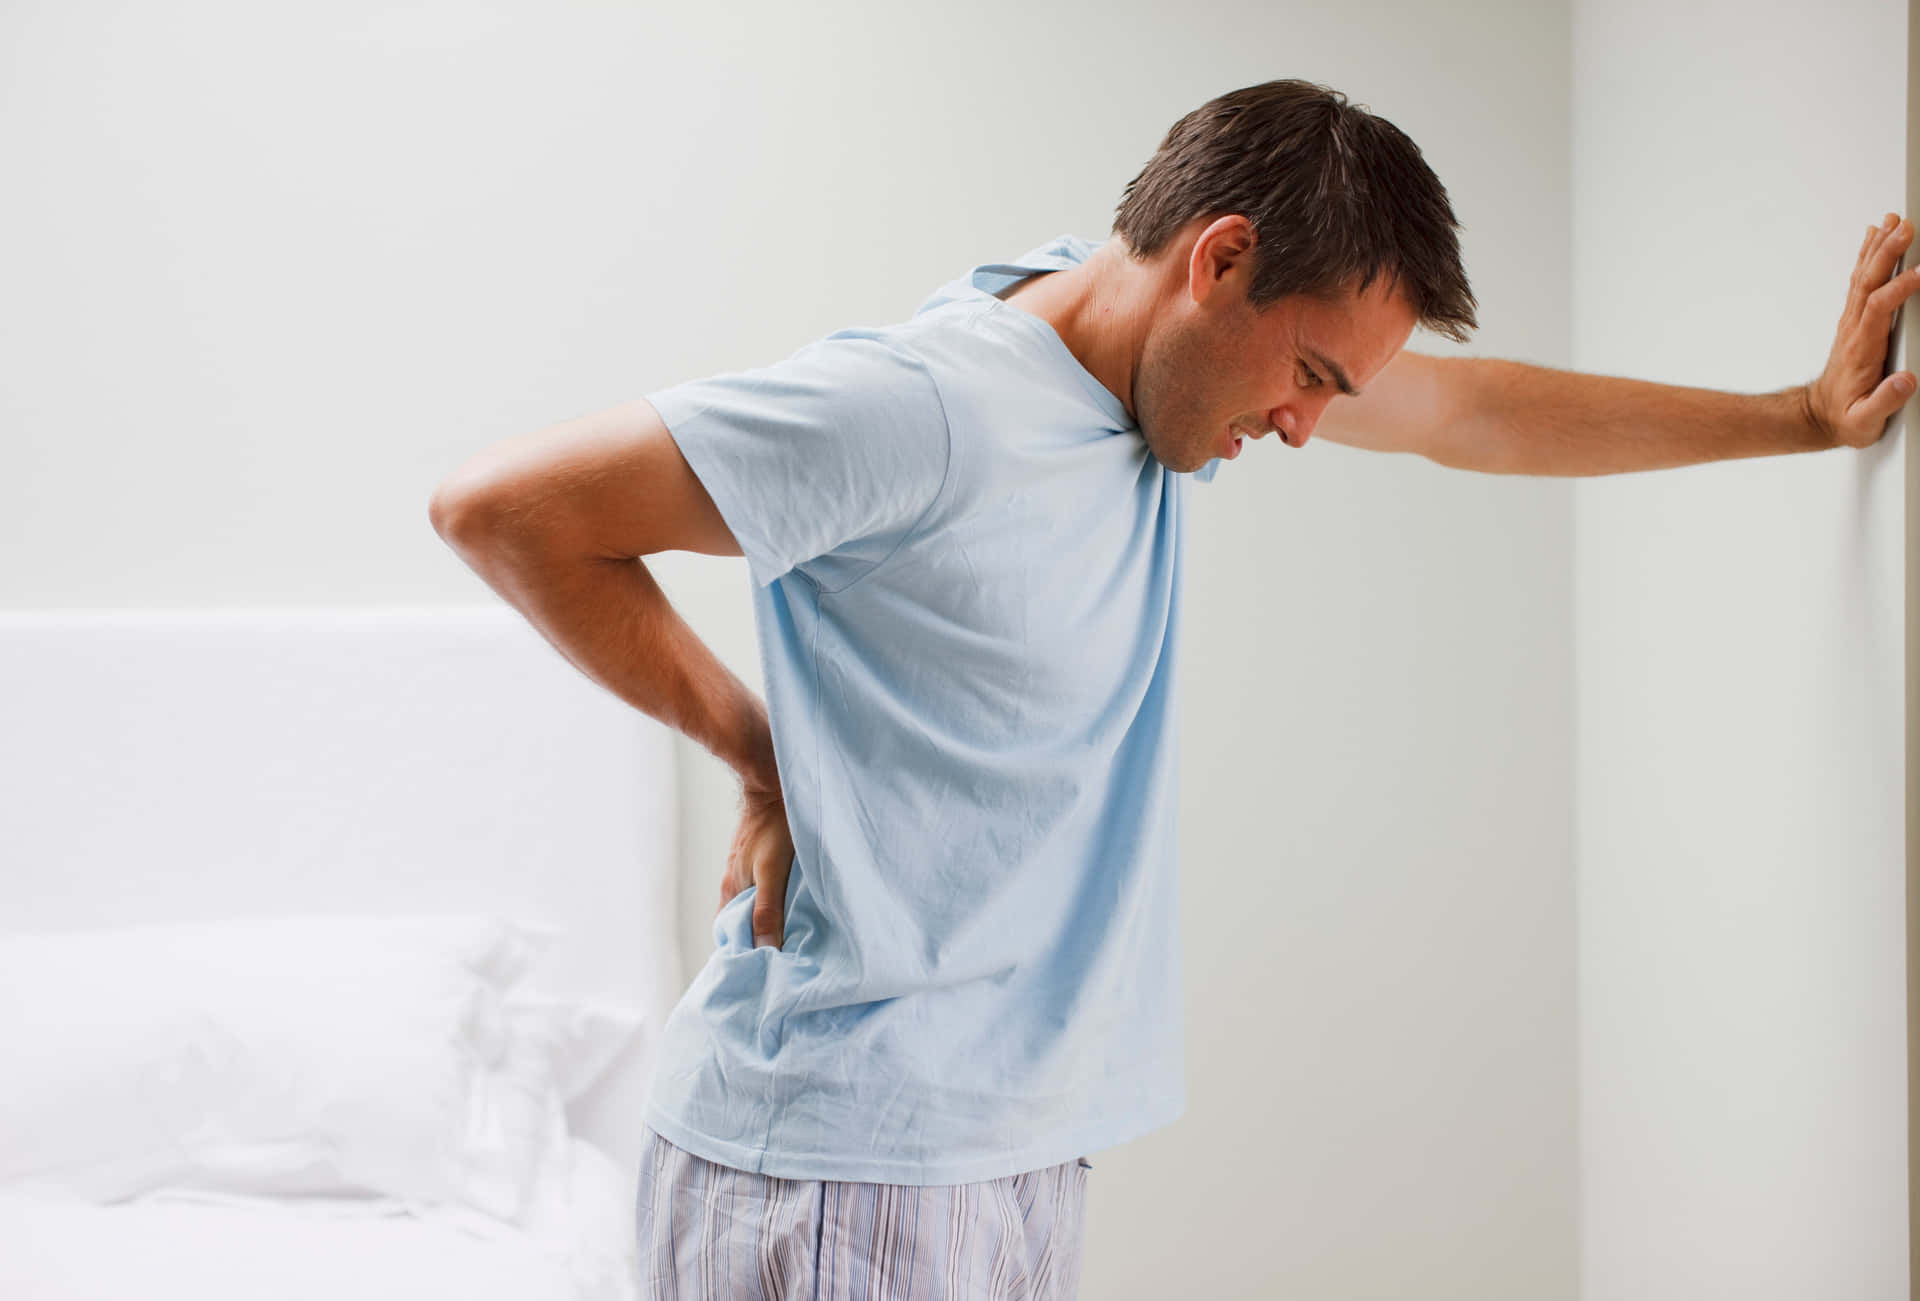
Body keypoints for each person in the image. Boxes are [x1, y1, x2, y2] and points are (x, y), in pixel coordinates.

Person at [428, 77, 1914, 1301]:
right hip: (845, 1167)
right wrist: (751, 748)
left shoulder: (1125, 367)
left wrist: (1799, 416)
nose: (1308, 426)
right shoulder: (929, 406)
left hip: (1005, 1151)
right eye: (1315, 376)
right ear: (1219, 260)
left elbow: (1477, 411)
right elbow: (506, 507)